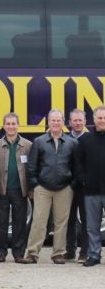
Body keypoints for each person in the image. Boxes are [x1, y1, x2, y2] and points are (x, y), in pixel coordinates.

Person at [19, 109, 76, 265]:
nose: (56, 123)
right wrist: (35, 185)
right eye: (53, 120)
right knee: (38, 221)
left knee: (61, 223)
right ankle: (32, 254)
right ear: (48, 122)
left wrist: (72, 185)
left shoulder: (72, 143)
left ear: (63, 122)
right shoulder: (39, 141)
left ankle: (58, 253)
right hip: (42, 188)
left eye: (58, 120)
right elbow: (32, 166)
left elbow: (76, 167)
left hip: (64, 188)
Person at [0, 112, 32, 263]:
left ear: (18, 125)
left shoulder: (27, 146)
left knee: (19, 223)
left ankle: (19, 253)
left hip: (20, 190)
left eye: (14, 124)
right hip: (1, 190)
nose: (11, 126)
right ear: (3, 126)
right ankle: (0, 253)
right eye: (8, 124)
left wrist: (31, 188)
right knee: (0, 223)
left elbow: (31, 169)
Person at [74, 106, 105, 267]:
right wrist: (82, 179)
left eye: (104, 118)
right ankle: (94, 255)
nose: (102, 121)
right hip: (91, 191)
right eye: (99, 118)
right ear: (94, 120)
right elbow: (77, 164)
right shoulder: (85, 140)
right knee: (92, 226)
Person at [66, 108, 88, 262]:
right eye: (75, 120)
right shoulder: (65, 140)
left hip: (86, 186)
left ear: (85, 122)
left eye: (80, 120)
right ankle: (70, 250)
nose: (78, 123)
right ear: (69, 123)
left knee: (87, 219)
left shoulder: (89, 139)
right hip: (67, 186)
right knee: (68, 219)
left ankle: (84, 251)